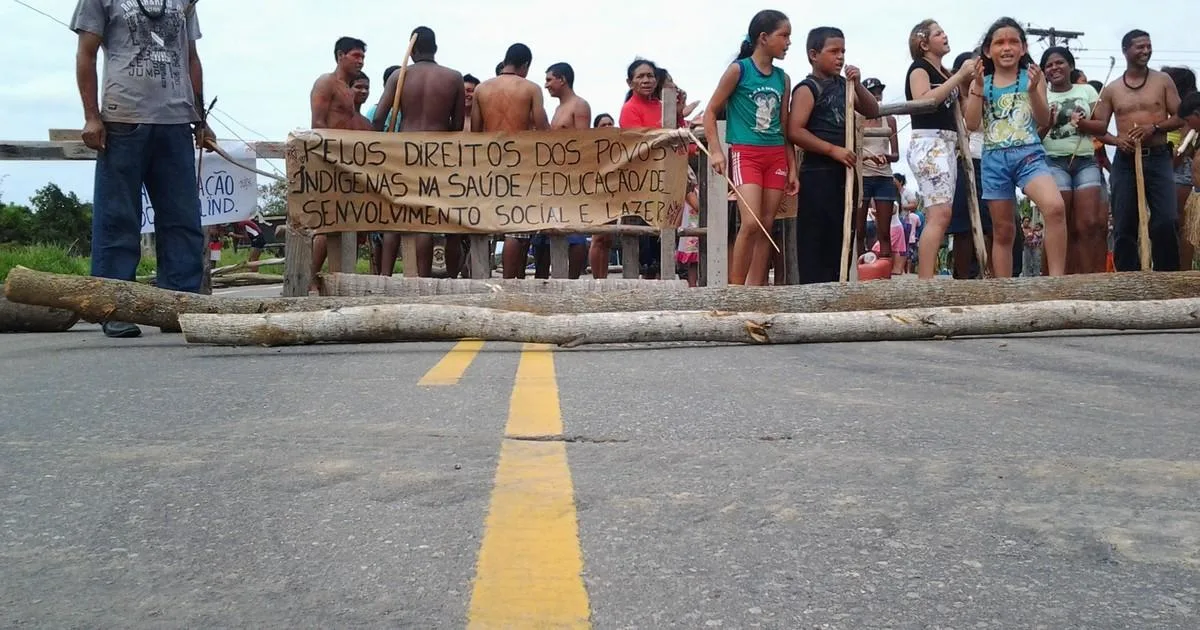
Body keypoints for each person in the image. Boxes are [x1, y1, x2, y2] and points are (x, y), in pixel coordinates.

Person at [71, 0, 212, 337]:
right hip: (123, 118)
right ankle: (114, 306)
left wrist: (201, 117)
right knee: (118, 216)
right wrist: (92, 115)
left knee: (182, 217)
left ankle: (178, 304)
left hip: (176, 120)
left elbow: (191, 57)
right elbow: (86, 54)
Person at [964, 17, 1066, 278]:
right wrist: (976, 86)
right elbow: (972, 123)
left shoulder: (1032, 77)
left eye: (1013, 42)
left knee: (1054, 207)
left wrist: (1033, 90)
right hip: (994, 159)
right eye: (999, 42)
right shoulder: (983, 82)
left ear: (1023, 47)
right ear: (988, 50)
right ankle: (1004, 291)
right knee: (1003, 230)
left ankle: (1055, 281)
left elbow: (1044, 120)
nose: (1006, 47)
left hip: (1029, 154)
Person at [703, 10, 797, 286]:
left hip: (776, 154)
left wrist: (792, 167)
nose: (788, 42)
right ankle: (734, 288)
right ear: (763, 38)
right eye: (784, 36)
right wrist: (716, 150)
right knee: (751, 222)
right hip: (747, 153)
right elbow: (711, 111)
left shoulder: (783, 78)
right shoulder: (739, 70)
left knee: (767, 226)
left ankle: (756, 289)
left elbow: (783, 126)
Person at [1078, 29, 1184, 272]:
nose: (1145, 51)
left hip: (1157, 158)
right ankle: (1129, 279)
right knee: (1125, 224)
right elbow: (1099, 128)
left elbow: (1180, 116)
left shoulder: (1162, 81)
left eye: (1148, 46)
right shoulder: (1113, 89)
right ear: (1126, 51)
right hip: (1125, 162)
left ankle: (1167, 277)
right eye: (1140, 47)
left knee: (1166, 220)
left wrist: (1154, 127)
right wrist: (1117, 141)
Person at [786, 26, 881, 284]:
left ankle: (836, 289)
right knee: (816, 239)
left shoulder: (845, 86)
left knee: (842, 237)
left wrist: (857, 84)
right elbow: (795, 131)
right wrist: (832, 150)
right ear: (813, 55)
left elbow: (872, 110)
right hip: (818, 172)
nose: (840, 57)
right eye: (833, 51)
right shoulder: (808, 88)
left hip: (845, 172)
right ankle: (814, 295)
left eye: (843, 52)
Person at [371, 27, 466, 279]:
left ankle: (385, 276)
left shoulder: (399, 77)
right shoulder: (453, 77)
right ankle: (423, 279)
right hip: (438, 152)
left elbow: (379, 119)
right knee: (427, 219)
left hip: (404, 151)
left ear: (411, 49)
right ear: (435, 47)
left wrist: (376, 153)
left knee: (395, 215)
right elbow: (456, 126)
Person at [903, 19, 977, 279]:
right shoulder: (919, 69)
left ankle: (927, 278)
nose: (945, 35)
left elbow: (968, 116)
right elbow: (924, 100)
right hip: (929, 142)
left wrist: (969, 85)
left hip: (948, 143)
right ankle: (925, 280)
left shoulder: (945, 73)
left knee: (942, 214)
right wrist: (958, 77)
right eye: (938, 33)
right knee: (939, 214)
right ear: (923, 43)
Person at [471, 43, 551, 279]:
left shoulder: (481, 89)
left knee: (488, 224)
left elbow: (476, 132)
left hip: (490, 161)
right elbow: (543, 128)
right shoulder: (530, 89)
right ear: (525, 65)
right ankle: (509, 281)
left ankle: (488, 278)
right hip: (521, 161)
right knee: (517, 228)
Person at [1037, 47, 1106, 274]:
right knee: (1059, 224)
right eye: (1049, 65)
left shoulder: (1086, 91)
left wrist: (1083, 124)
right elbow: (1033, 137)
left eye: (1060, 63)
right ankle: (1055, 281)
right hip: (1053, 162)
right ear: (1044, 71)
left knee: (1088, 224)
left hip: (1085, 161)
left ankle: (1087, 281)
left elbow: (1102, 126)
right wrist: (1048, 122)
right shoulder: (1040, 95)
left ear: (1071, 65)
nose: (1054, 68)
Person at [308, 36, 369, 291]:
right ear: (341, 55)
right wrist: (330, 159)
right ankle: (308, 276)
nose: (360, 61)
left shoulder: (347, 89)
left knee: (349, 224)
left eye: (363, 57)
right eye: (356, 56)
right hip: (330, 162)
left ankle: (339, 279)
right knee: (327, 225)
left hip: (349, 164)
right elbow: (318, 124)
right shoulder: (326, 82)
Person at [944, 52, 993, 279]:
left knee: (990, 224)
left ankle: (990, 275)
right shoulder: (951, 99)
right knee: (963, 226)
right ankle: (963, 279)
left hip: (990, 160)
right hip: (962, 160)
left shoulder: (989, 94)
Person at [858, 77, 901, 272]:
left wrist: (886, 157)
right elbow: (851, 149)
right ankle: (859, 271)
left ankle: (884, 272)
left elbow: (896, 154)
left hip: (884, 177)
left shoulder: (889, 119)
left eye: (879, 92)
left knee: (884, 230)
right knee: (859, 230)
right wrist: (868, 159)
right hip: (863, 176)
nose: (876, 95)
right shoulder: (857, 118)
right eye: (872, 92)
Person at [1163, 66, 1196, 269]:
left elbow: (1183, 147)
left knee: (1181, 225)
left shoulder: (1186, 112)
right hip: (1170, 167)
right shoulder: (1173, 110)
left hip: (1179, 171)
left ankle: (1182, 271)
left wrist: (1169, 165)